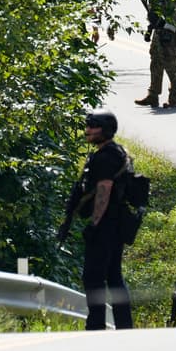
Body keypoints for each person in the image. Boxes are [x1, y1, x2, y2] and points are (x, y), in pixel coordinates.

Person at [71, 109, 134, 330]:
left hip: (107, 225)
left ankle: (96, 324)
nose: (87, 130)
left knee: (94, 277)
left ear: (105, 130)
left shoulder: (106, 157)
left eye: (92, 126)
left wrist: (95, 223)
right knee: (114, 275)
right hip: (116, 224)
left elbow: (104, 190)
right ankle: (125, 325)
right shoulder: (118, 152)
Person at [134, 0, 176, 109]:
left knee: (171, 66)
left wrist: (166, 28)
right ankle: (153, 96)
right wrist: (150, 28)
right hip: (158, 32)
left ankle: (174, 98)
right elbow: (154, 13)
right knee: (155, 63)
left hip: (169, 33)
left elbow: (175, 15)